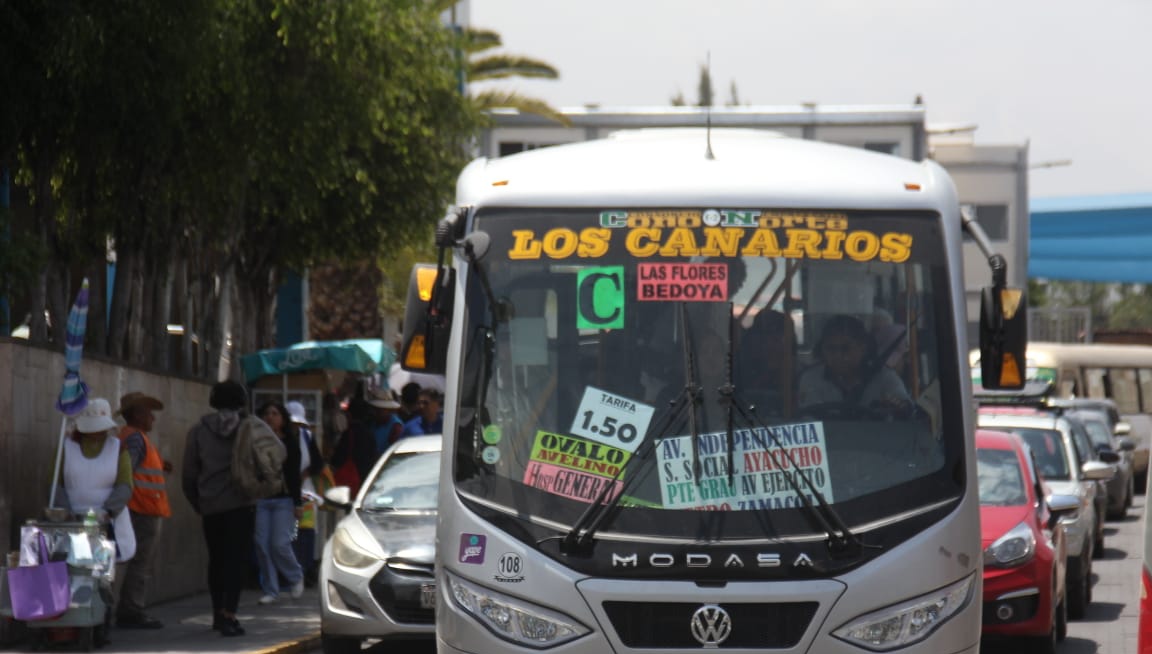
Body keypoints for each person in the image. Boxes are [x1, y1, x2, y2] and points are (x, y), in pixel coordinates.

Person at [51, 397, 136, 644]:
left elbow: (125, 485)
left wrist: (108, 511)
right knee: (71, 573)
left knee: (102, 577)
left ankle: (100, 623)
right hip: (70, 524)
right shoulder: (65, 447)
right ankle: (69, 624)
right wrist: (64, 510)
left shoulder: (118, 449)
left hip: (105, 523)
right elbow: (55, 482)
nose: (97, 434)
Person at [182, 380, 255, 637]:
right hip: (241, 504)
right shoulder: (249, 429)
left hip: (211, 506)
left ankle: (216, 613)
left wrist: (199, 503)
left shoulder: (198, 432)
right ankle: (229, 615)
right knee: (235, 561)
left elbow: (189, 474)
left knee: (217, 561)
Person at [114, 392, 172, 630]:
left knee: (136, 562)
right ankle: (131, 610)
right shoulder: (136, 438)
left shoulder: (132, 437)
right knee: (140, 563)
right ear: (137, 414)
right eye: (149, 414)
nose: (153, 419)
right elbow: (128, 469)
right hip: (141, 508)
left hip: (140, 507)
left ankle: (128, 609)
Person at [797, 314, 911, 413]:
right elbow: (808, 422)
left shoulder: (885, 378)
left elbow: (906, 410)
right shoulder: (811, 379)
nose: (838, 356)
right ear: (822, 350)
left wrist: (896, 407)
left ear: (863, 348)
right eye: (831, 349)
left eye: (845, 349)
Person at [252, 402, 306, 605]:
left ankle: (295, 576)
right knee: (261, 544)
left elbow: (294, 475)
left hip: (284, 499)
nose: (270, 417)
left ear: (283, 418)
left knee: (279, 544)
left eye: (275, 413)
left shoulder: (290, 442)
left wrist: (297, 502)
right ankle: (270, 590)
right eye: (267, 413)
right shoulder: (256, 442)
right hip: (262, 498)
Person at [286, 401, 325, 587]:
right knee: (289, 532)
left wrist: (305, 473)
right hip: (285, 491)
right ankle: (289, 573)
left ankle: (305, 568)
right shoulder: (279, 438)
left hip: (306, 490)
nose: (295, 427)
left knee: (306, 530)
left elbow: (318, 463)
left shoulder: (307, 437)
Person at [735, 309, 798, 417]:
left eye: (778, 338)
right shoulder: (740, 375)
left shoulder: (803, 377)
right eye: (765, 337)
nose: (771, 344)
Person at [368, 389, 405, 454]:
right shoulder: (373, 423)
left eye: (379, 410)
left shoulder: (396, 426)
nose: (375, 413)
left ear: (388, 410)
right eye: (374, 409)